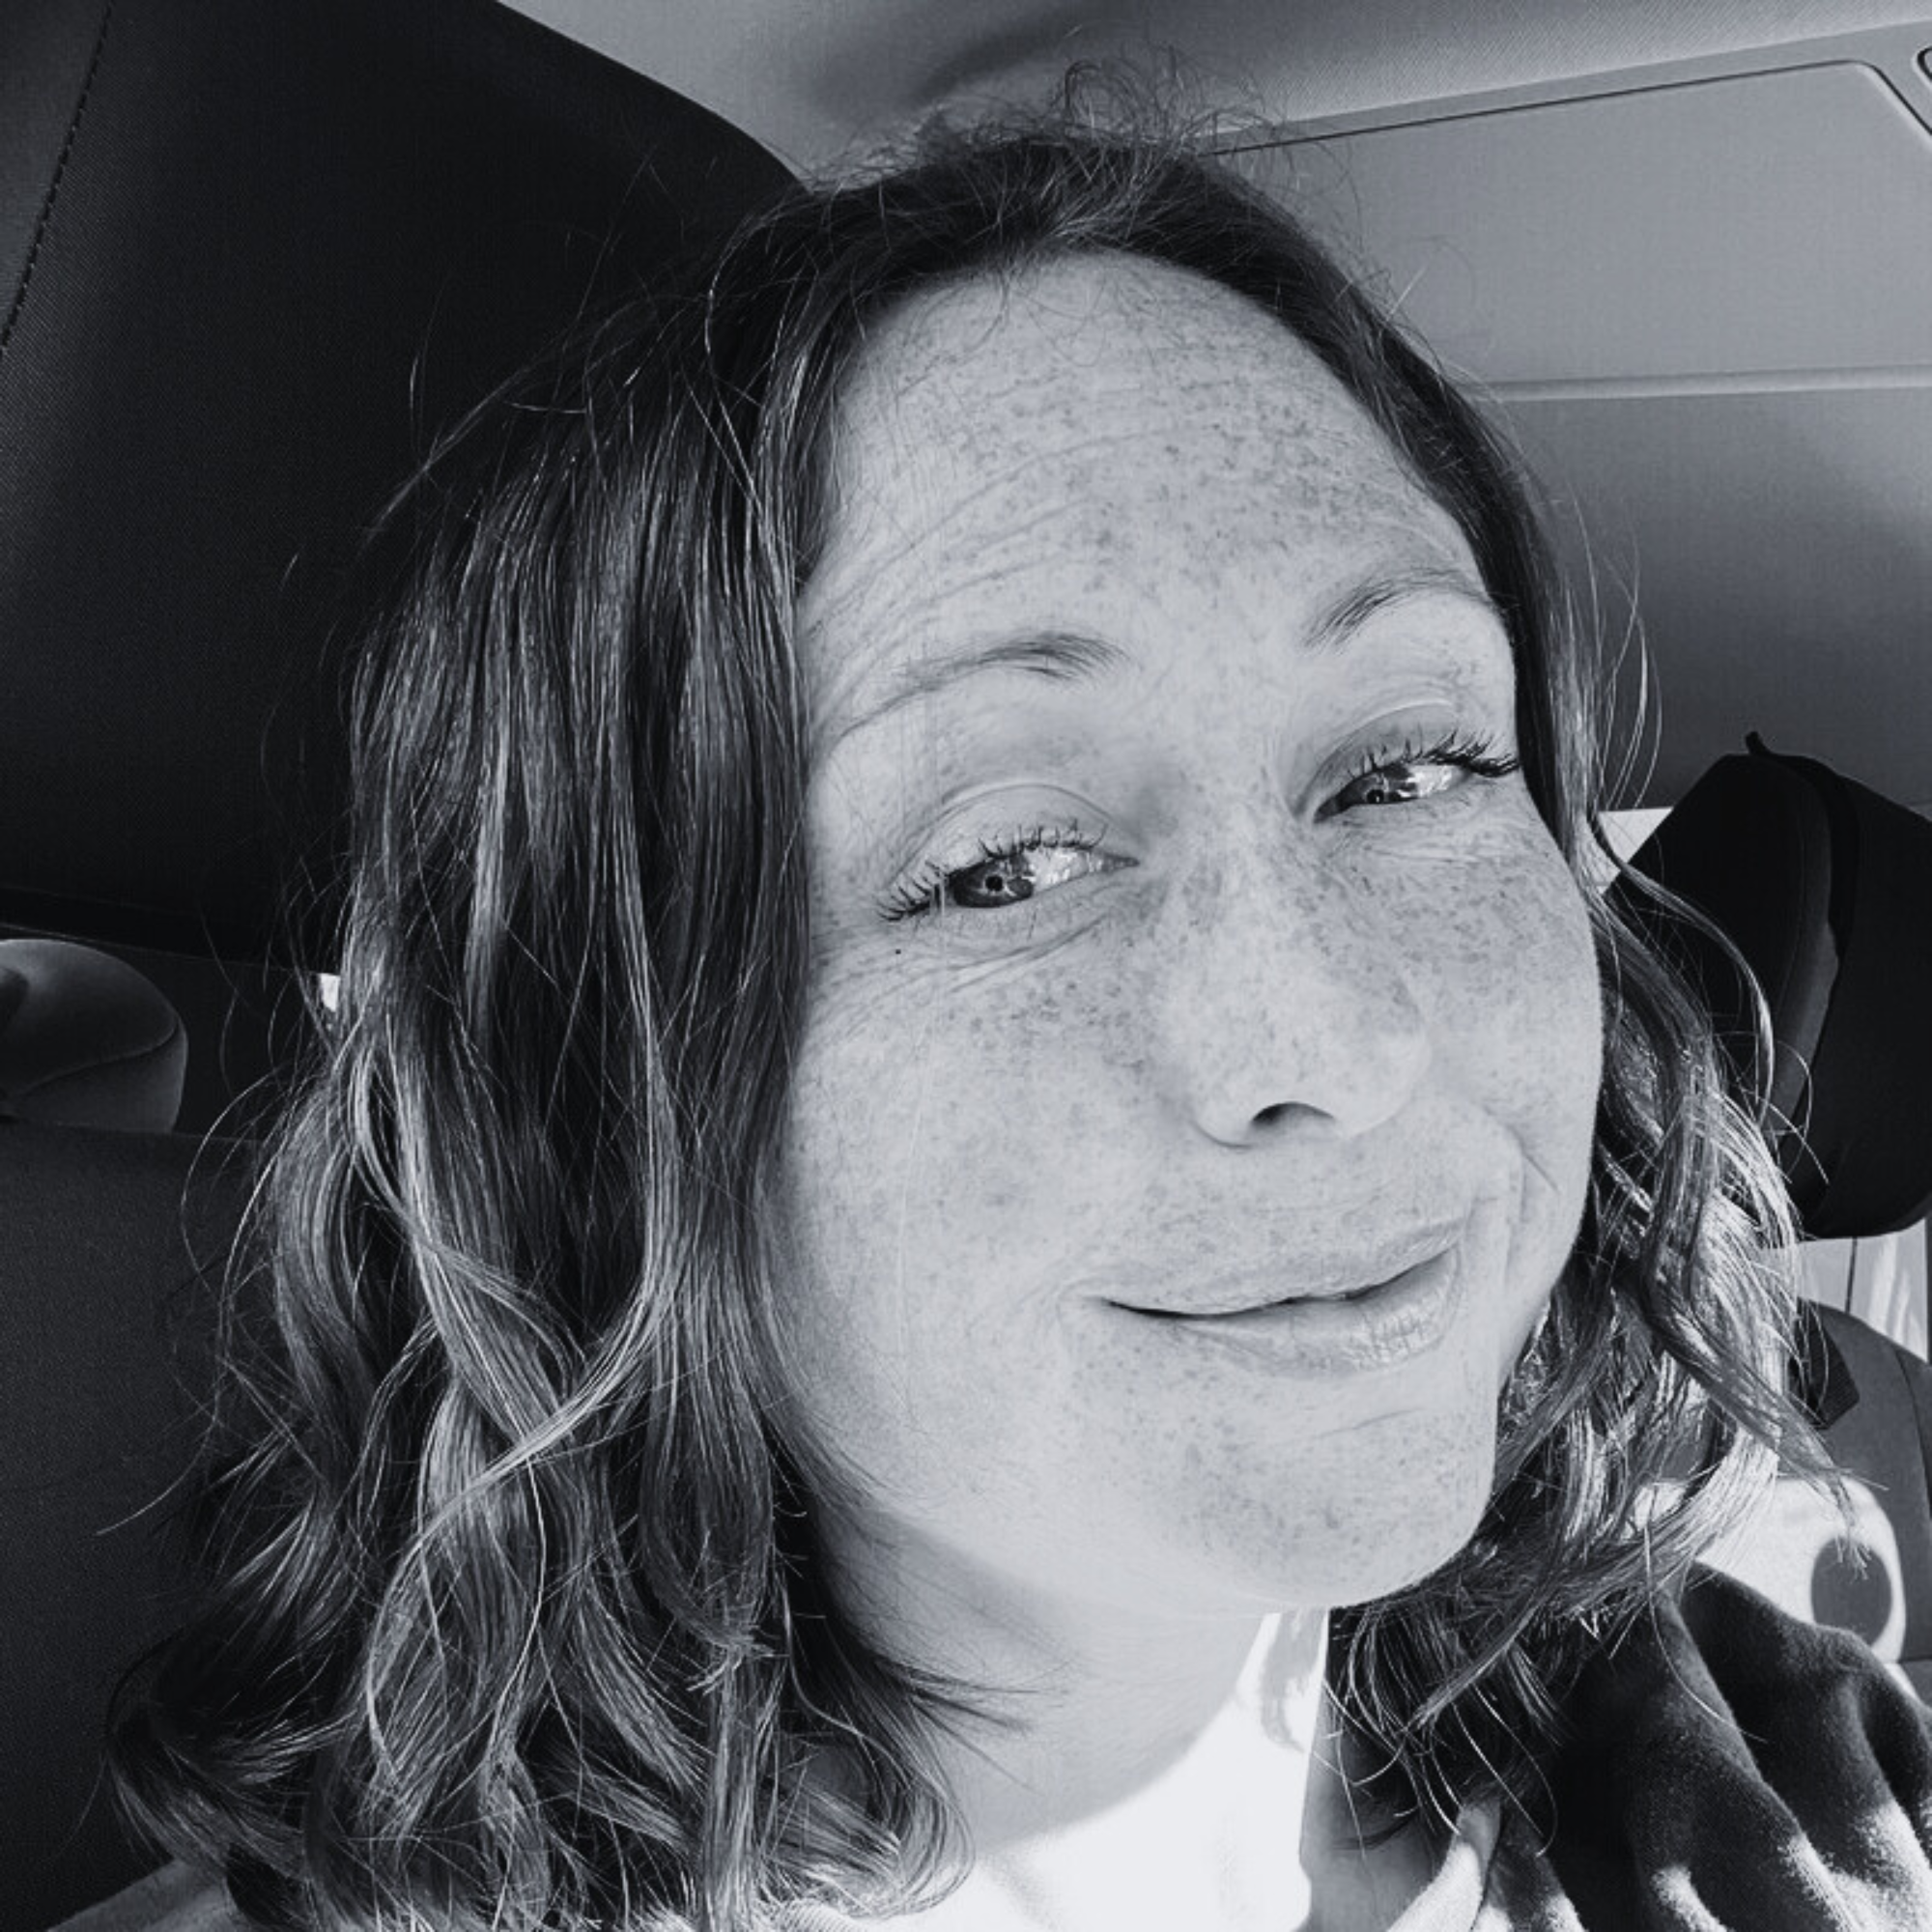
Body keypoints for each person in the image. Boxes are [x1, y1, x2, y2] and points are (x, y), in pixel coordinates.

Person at [74, 118, 1932, 1932]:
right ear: (604, 1103)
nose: (1343, 1046)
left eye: (1417, 763)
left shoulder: (1794, 1765)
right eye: (1005, 868)